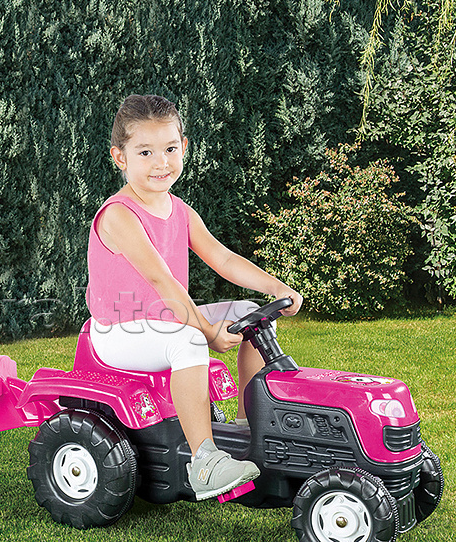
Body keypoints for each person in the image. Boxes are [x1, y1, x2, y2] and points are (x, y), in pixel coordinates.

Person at [86, 94, 303, 501]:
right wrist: (206, 332)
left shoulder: (179, 210)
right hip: (119, 330)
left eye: (170, 149)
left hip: (161, 320)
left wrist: (275, 287)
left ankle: (248, 427)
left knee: (250, 312)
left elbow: (222, 257)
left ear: (184, 147)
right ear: (120, 158)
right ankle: (204, 461)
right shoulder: (119, 215)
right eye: (145, 152)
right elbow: (163, 281)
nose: (161, 162)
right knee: (188, 339)